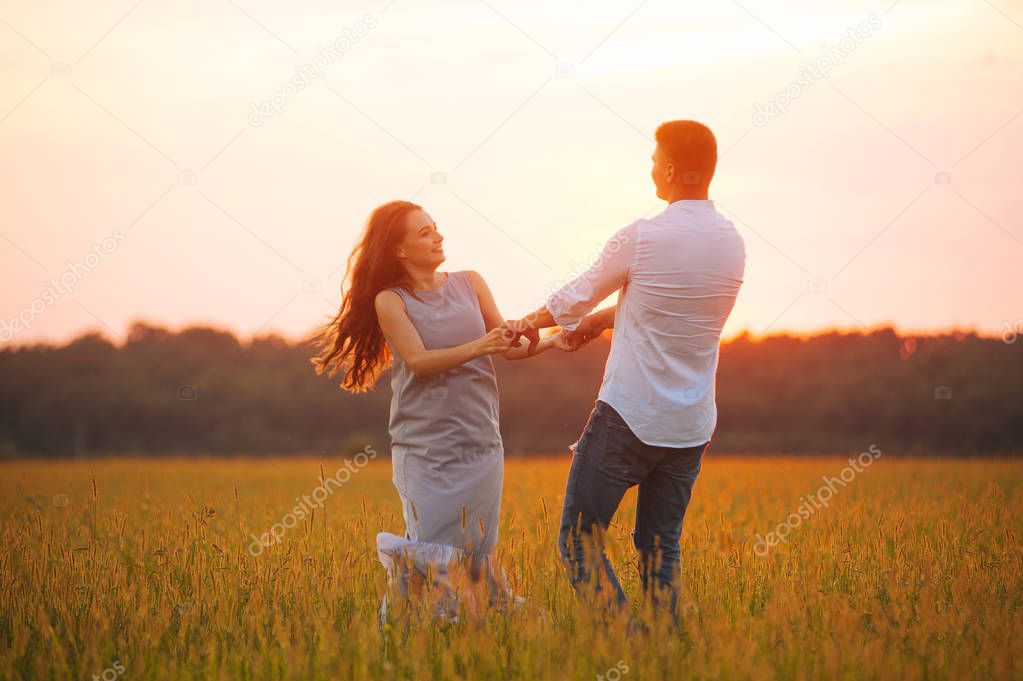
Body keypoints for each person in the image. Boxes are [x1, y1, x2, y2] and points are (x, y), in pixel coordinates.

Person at [503, 120, 746, 622]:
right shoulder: (731, 242)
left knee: (577, 542)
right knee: (662, 552)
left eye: (655, 159)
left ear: (674, 170)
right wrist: (600, 322)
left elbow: (575, 294)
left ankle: (624, 641)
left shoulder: (643, 236)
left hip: (628, 417)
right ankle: (662, 655)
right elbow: (675, 309)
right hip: (690, 426)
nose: (651, 168)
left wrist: (526, 323)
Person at [310, 200, 571, 621]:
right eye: (425, 232)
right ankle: (401, 633)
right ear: (399, 249)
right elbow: (418, 361)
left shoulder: (471, 282)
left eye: (436, 228)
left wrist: (549, 341)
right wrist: (479, 346)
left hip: (480, 442)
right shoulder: (390, 301)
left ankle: (468, 629)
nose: (438, 236)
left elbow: (508, 347)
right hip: (425, 449)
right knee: (428, 546)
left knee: (474, 550)